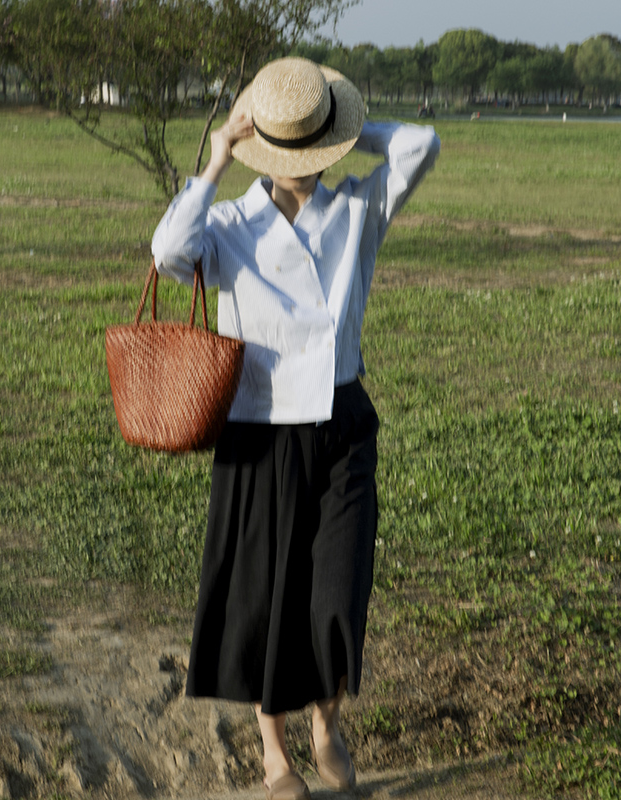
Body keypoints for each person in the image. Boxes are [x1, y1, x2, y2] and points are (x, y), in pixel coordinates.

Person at [152, 57, 440, 800]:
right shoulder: (228, 225)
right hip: (259, 431)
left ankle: (327, 727)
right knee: (266, 599)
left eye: (315, 148)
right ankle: (277, 754)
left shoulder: (356, 211)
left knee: (335, 596)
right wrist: (219, 158)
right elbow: (166, 252)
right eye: (294, 150)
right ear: (265, 151)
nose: (306, 165)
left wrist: (341, 128)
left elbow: (421, 145)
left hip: (342, 425)